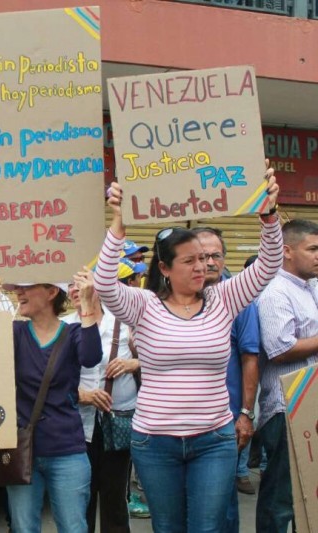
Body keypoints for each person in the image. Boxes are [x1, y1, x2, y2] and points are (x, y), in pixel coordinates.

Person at [93, 176, 282, 532]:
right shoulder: (143, 305)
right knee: (168, 527)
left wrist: (268, 215)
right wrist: (118, 222)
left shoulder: (224, 298)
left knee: (207, 527)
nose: (202, 267)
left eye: (205, 259)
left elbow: (269, 264)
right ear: (164, 269)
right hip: (154, 442)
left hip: (214, 440)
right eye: (189, 261)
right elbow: (104, 283)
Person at [1, 276, 100, 533]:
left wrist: (87, 304)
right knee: (23, 528)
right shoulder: (17, 332)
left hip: (67, 450)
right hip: (24, 450)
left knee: (73, 527)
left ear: (51, 292)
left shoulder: (73, 333)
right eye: (17, 289)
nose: (19, 293)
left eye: (26, 287)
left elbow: (91, 357)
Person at [65, 267, 139, 533]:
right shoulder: (64, 326)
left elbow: (160, 358)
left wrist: (133, 363)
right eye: (72, 286)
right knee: (80, 499)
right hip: (75, 425)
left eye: (82, 284)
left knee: (115, 499)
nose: (76, 291)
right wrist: (81, 395)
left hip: (117, 421)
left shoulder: (125, 323)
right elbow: (50, 380)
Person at [256, 218, 318, 532]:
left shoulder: (312, 286)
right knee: (282, 496)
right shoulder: (275, 291)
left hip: (311, 403)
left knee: (310, 490)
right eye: (313, 249)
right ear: (288, 251)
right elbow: (280, 348)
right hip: (286, 406)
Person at [194, 227, 261, 513]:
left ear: (224, 258)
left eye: (215, 255)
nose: (209, 262)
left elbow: (250, 359)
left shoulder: (239, 301)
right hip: (177, 425)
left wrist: (245, 414)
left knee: (219, 507)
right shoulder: (172, 298)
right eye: (202, 256)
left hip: (224, 423)